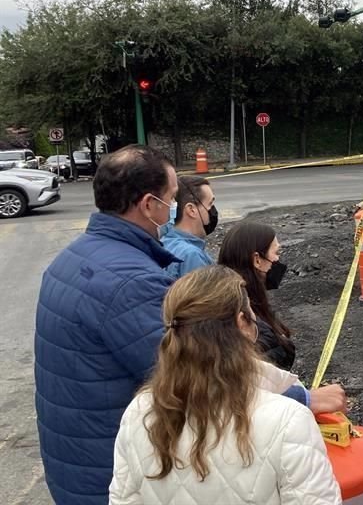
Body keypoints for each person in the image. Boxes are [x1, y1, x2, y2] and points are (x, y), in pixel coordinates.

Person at [109, 266, 342, 504]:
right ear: (242, 322)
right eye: (250, 308)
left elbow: (123, 498)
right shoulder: (289, 420)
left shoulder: (140, 411)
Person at [34, 145, 179, 505]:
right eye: (172, 198)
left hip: (75, 464)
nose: (173, 208)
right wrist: (295, 399)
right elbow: (194, 376)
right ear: (149, 205)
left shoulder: (72, 257)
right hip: (110, 478)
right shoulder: (131, 283)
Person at [217, 222, 347, 414]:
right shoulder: (246, 316)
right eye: (276, 253)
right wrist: (306, 399)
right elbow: (252, 389)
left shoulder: (238, 301)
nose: (278, 261)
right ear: (257, 259)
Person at [162, 175, 218, 279]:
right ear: (191, 210)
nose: (213, 210)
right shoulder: (192, 256)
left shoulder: (164, 241)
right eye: (210, 204)